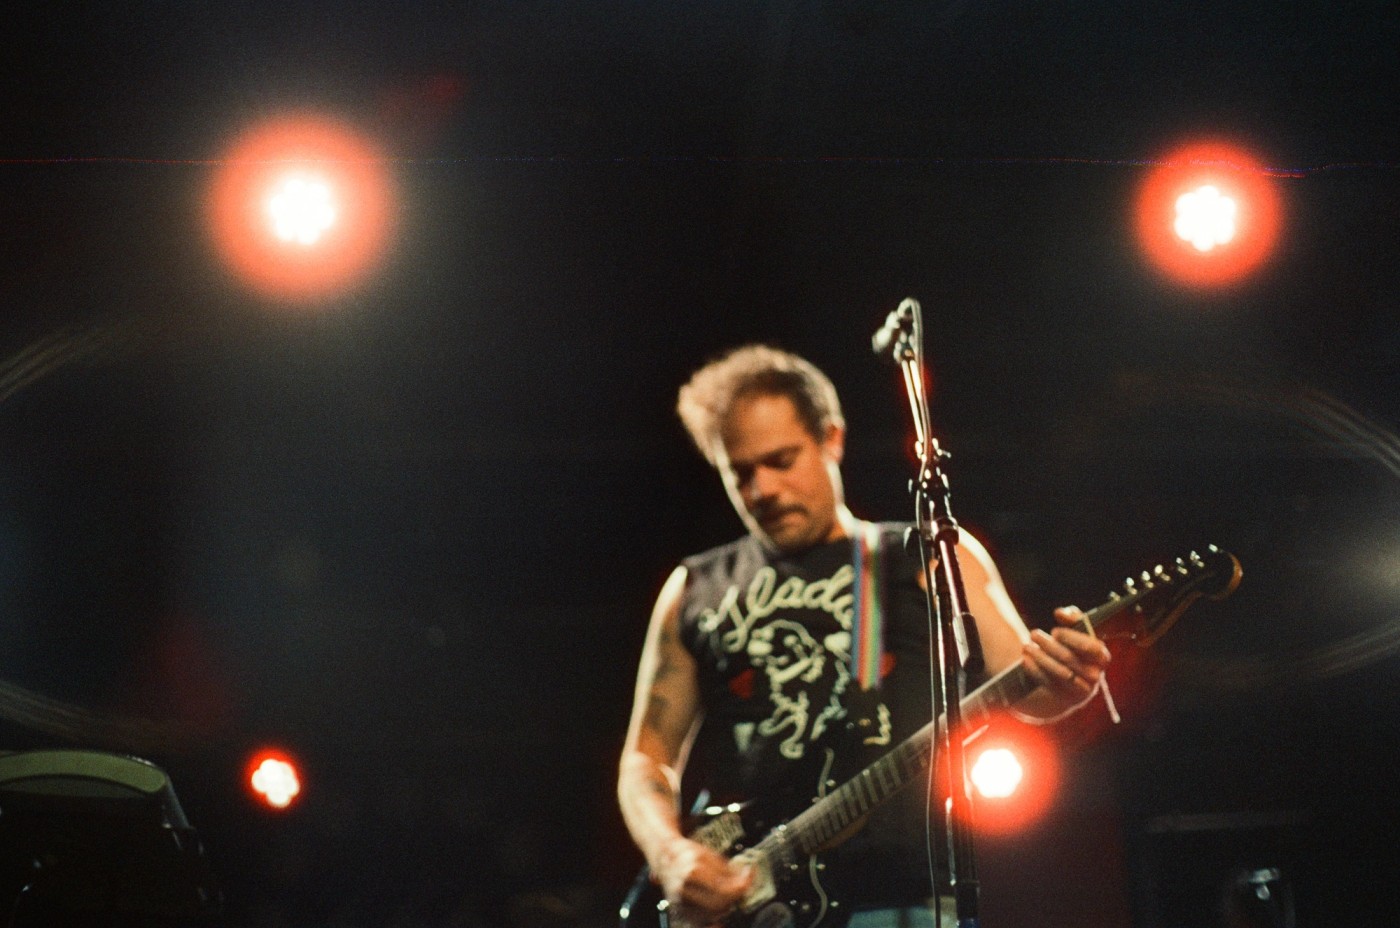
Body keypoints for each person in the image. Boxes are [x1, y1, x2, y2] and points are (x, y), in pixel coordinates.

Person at [618, 345, 1112, 928]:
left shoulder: (925, 558)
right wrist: (670, 852)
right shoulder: (693, 589)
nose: (763, 490)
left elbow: (1027, 686)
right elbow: (645, 760)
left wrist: (1070, 679)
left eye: (781, 460)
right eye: (741, 473)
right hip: (754, 904)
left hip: (897, 904)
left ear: (832, 439)